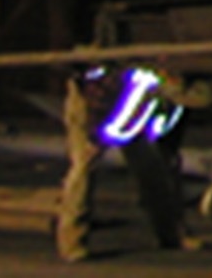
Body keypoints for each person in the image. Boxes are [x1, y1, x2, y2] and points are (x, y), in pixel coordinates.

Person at [56, 63, 188, 260]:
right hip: (95, 94)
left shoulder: (146, 72)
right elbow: (88, 76)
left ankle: (171, 234)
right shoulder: (97, 71)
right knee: (84, 166)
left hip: (131, 96)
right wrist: (94, 123)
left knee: (150, 166)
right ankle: (72, 241)